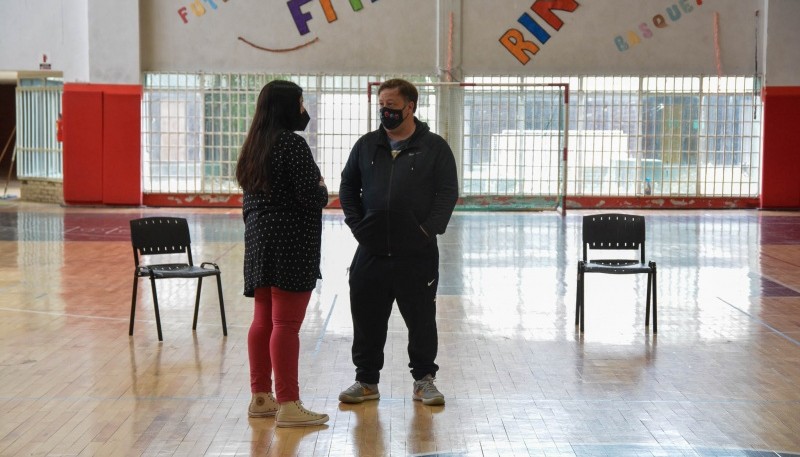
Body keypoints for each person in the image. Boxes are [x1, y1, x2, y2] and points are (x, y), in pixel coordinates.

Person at [338, 78, 459, 406]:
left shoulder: (435, 148)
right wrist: (357, 225)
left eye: (392, 107)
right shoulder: (366, 145)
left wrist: (427, 230)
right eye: (382, 107)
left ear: (411, 107)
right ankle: (366, 381)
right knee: (366, 317)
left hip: (416, 253)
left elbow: (448, 192)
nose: (386, 113)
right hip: (371, 251)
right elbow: (348, 186)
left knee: (421, 319)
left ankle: (424, 380)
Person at [236, 80, 329, 427]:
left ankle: (261, 397)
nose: (304, 110)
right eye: (301, 103)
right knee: (286, 325)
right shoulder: (292, 143)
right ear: (286, 107)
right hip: (292, 241)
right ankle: (289, 403)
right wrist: (321, 187)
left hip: (258, 240)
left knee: (263, 320)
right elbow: (312, 195)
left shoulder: (253, 146)